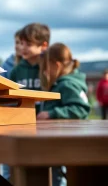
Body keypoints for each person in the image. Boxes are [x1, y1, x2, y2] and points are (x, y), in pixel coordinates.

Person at [37, 42, 90, 186]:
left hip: (66, 145)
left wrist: (51, 113)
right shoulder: (61, 83)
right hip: (58, 144)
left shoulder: (67, 84)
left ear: (57, 65)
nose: (45, 73)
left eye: (47, 68)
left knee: (59, 179)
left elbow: (80, 109)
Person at [0, 29, 22, 180]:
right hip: (9, 122)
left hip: (30, 122)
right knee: (8, 167)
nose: (20, 46)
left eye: (24, 43)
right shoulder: (7, 65)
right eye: (18, 43)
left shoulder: (40, 66)